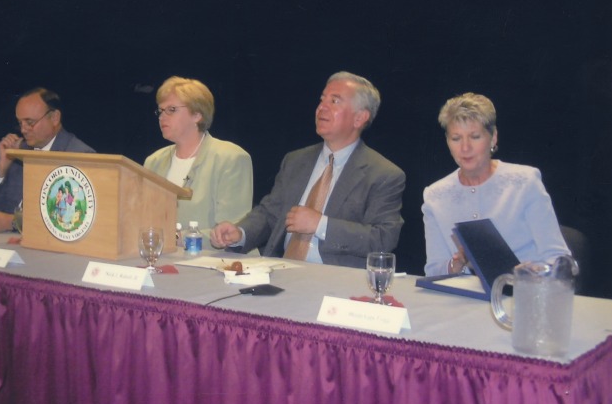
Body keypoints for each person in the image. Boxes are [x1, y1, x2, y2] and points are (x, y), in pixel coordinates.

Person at [210, 71, 405, 267]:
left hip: (336, 279)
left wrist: (320, 225)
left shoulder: (383, 174)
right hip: (281, 270)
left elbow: (383, 238)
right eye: (322, 100)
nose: (322, 107)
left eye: (335, 101)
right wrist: (240, 233)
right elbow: (270, 213)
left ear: (360, 118)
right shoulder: (296, 160)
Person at [422, 92, 570, 276]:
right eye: (456, 138)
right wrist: (456, 264)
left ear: (493, 138)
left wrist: (528, 276)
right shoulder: (435, 195)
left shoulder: (525, 181)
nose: (465, 147)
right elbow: (434, 271)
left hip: (525, 294)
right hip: (463, 301)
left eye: (475, 137)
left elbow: (558, 258)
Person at [144, 76, 253, 241]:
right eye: (160, 110)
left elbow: (228, 231)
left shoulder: (231, 158)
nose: (162, 117)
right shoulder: (153, 161)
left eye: (171, 110)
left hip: (215, 262)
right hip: (163, 259)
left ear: (197, 115)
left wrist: (173, 239)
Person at [0, 87, 95, 233]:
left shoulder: (80, 155)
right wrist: (2, 169)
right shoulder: (18, 152)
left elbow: (74, 218)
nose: (24, 130)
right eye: (20, 123)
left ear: (54, 118)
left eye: (30, 122)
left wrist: (13, 222)